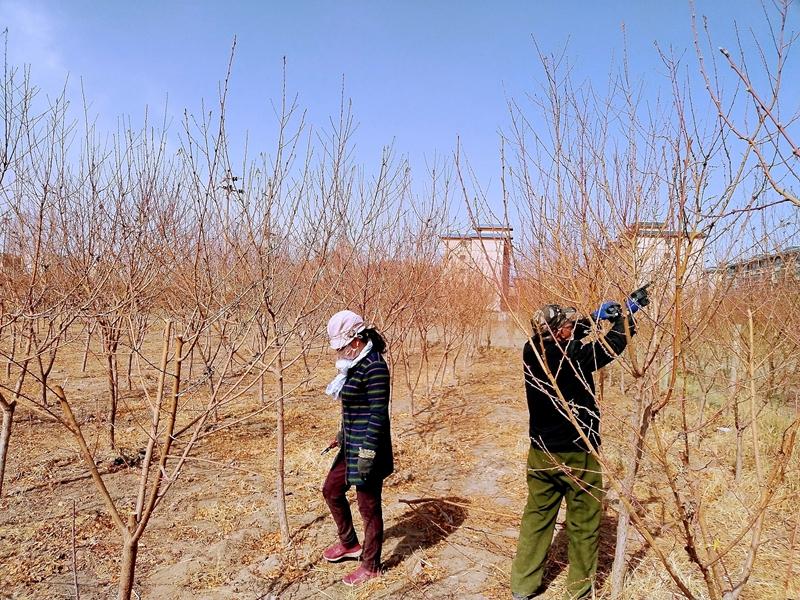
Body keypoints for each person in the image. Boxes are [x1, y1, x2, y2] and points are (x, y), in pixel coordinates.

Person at [511, 290, 648, 600]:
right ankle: (579, 591)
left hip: (541, 453)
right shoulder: (573, 358)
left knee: (536, 517)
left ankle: (522, 586)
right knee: (584, 522)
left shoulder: (531, 349)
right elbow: (610, 347)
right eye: (568, 325)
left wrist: (595, 318)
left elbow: (570, 336)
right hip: (576, 453)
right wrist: (627, 317)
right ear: (559, 331)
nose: (572, 328)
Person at [321, 309, 393, 587]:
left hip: (367, 448)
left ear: (357, 341)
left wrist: (368, 452)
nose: (339, 353)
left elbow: (377, 414)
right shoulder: (354, 365)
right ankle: (350, 544)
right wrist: (341, 433)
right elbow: (353, 406)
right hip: (351, 443)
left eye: (341, 347)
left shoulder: (374, 366)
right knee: (331, 489)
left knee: (369, 506)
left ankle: (371, 565)